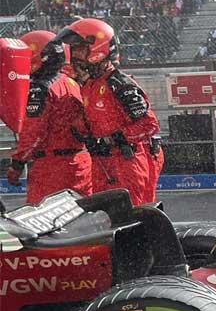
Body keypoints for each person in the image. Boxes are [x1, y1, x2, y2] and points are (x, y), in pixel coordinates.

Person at [52, 18, 162, 205]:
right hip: (103, 162)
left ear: (96, 49)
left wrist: (115, 139)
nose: (75, 54)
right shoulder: (89, 85)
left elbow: (149, 125)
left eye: (79, 48)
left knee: (130, 218)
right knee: (104, 218)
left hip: (127, 161)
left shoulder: (118, 84)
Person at [8, 30, 92, 204]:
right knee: (81, 219)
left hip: (52, 168)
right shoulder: (71, 82)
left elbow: (34, 132)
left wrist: (17, 163)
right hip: (80, 162)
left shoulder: (39, 89)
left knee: (42, 222)